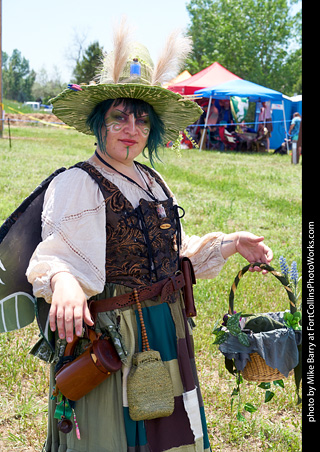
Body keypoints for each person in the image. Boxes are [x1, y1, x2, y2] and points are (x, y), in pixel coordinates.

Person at [26, 25, 273, 452]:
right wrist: (63, 282)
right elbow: (56, 255)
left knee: (172, 432)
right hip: (112, 336)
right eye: (119, 116)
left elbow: (171, 254)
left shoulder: (153, 180)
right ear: (98, 121)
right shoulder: (78, 183)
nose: (131, 128)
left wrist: (230, 243)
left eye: (142, 118)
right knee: (115, 436)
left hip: (165, 325)